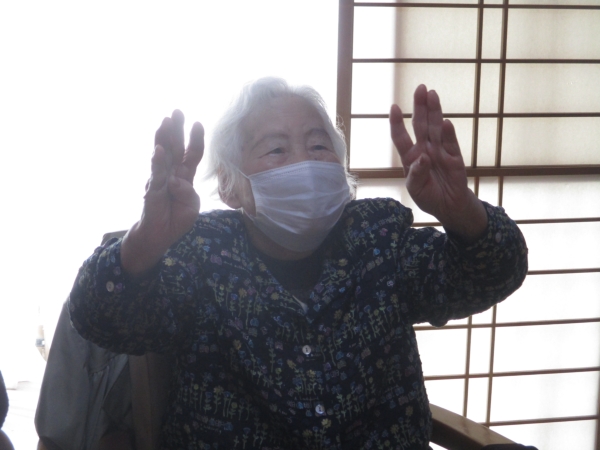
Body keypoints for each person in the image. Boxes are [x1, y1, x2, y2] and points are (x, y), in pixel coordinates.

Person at [68, 77, 528, 449]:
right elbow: (98, 318)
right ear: (230, 186)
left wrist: (461, 210)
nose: (305, 164)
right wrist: (145, 241)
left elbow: (494, 274)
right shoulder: (202, 254)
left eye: (319, 146)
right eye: (277, 150)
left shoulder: (379, 238)